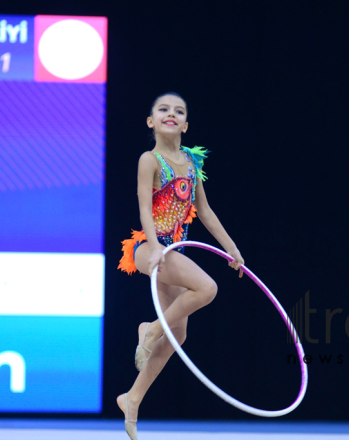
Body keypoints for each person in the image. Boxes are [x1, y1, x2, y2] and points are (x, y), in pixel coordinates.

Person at [116, 92, 245, 439]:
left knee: (181, 334)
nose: (170, 114)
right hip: (149, 248)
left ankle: (132, 397)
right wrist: (156, 246)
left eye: (178, 111)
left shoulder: (192, 161)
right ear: (151, 122)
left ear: (185, 124)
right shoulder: (149, 159)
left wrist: (231, 248)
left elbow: (204, 211)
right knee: (208, 288)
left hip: (175, 252)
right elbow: (145, 207)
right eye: (163, 109)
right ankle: (153, 328)